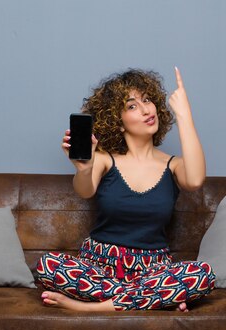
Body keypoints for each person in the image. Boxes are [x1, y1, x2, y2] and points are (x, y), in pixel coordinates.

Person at [35, 67, 216, 312]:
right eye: (132, 106)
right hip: (99, 267)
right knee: (47, 265)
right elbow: (85, 191)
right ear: (117, 122)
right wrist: (84, 169)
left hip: (153, 269)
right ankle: (155, 300)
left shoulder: (173, 165)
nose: (145, 110)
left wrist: (184, 115)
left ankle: (92, 308)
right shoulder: (103, 159)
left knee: (202, 273)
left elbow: (195, 180)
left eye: (147, 100)